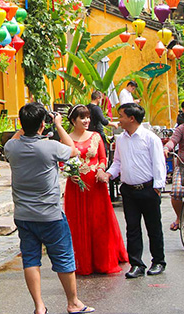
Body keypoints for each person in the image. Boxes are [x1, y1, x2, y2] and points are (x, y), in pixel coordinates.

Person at [5, 103, 94, 314]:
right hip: (50, 215)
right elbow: (73, 150)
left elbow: (16, 137)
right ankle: (73, 303)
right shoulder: (51, 147)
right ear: (42, 125)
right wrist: (58, 124)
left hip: (24, 216)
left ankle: (39, 306)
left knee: (30, 260)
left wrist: (26, 126)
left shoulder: (12, 147)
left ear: (21, 123)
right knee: (63, 258)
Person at [96, 103, 166, 279]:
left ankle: (158, 261)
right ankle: (136, 264)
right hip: (128, 191)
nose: (118, 120)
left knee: (153, 227)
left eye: (121, 116)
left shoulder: (150, 138)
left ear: (131, 118)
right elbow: (118, 162)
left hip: (148, 189)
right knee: (132, 228)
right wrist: (108, 174)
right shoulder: (121, 139)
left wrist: (157, 187)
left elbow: (158, 164)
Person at [65, 105, 128, 275]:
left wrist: (101, 169)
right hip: (76, 186)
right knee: (78, 224)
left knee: (99, 222)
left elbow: (102, 157)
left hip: (95, 185)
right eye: (82, 118)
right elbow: (62, 161)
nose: (86, 121)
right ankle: (83, 261)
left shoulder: (96, 136)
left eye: (87, 117)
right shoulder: (67, 139)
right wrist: (70, 173)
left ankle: (103, 259)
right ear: (73, 121)